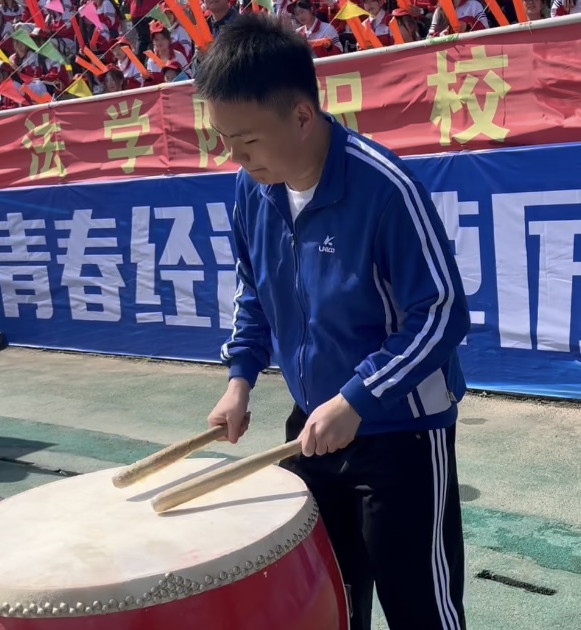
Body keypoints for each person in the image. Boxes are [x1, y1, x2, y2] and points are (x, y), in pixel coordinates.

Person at [196, 13, 469, 630]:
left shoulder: (385, 189)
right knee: (330, 601)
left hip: (400, 431)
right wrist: (239, 379)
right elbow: (254, 291)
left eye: (247, 140)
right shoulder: (251, 190)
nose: (235, 157)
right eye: (224, 140)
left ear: (301, 115)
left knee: (420, 609)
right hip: (313, 428)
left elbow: (442, 312)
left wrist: (357, 398)